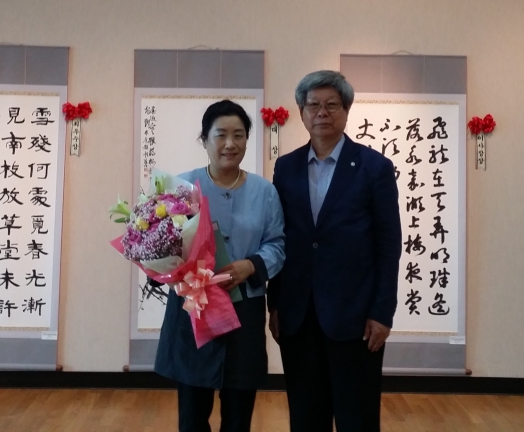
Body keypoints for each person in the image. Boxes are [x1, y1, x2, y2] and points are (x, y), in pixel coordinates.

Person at [268, 70, 402, 432]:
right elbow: (280, 238)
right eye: (313, 105)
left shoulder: (374, 167)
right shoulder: (286, 167)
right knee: (305, 418)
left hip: (356, 318)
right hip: (298, 315)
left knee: (356, 418)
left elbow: (389, 244)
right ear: (301, 111)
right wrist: (275, 304)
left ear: (346, 110)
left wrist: (382, 312)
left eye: (332, 105)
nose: (322, 113)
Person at [155, 99, 286, 432]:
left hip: (244, 310)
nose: (230, 143)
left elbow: (277, 244)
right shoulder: (181, 188)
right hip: (193, 309)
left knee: (239, 414)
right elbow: (160, 242)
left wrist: (251, 266)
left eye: (239, 135)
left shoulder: (265, 191)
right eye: (221, 135)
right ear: (204, 139)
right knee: (192, 415)